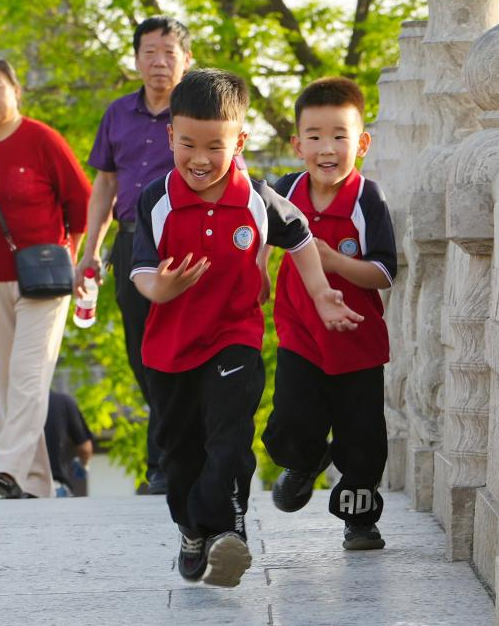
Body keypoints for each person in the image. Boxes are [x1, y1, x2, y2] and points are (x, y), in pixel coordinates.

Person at [130, 68, 364, 587]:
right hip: (169, 350)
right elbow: (142, 269)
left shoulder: (256, 198)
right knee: (180, 452)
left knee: (230, 436)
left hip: (234, 336)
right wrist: (160, 290)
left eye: (215, 146)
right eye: (187, 143)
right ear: (170, 136)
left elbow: (299, 235)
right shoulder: (157, 199)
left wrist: (323, 293)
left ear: (241, 140)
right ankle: (193, 531)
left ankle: (229, 534)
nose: (199, 159)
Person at [263, 77, 395, 551]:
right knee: (292, 421)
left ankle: (359, 522)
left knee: (363, 441)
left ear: (361, 143)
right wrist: (258, 270)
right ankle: (304, 463)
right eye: (315, 136)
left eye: (340, 136)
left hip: (358, 343)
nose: (327, 148)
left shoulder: (367, 200)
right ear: (297, 144)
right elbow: (258, 232)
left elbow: (384, 273)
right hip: (301, 334)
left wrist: (334, 261)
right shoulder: (285, 190)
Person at [0, 57, 92, 499]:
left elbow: (84, 201)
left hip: (46, 277)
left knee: (28, 372)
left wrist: (73, 256)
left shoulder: (42, 139)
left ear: (17, 92)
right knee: (6, 379)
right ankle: (35, 485)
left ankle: (6, 466)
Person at [76, 16, 192, 495]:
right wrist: (90, 254)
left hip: (180, 241)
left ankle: (165, 464)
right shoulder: (117, 113)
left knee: (178, 350)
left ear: (187, 60)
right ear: (137, 58)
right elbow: (104, 185)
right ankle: (174, 449)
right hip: (128, 242)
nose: (159, 62)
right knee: (141, 354)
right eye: (149, 52)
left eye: (168, 52)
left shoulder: (198, 111)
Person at [0, 390, 94, 497]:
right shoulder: (65, 402)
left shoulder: (7, 403)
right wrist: (83, 465)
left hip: (15, 488)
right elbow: (85, 448)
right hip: (54, 488)